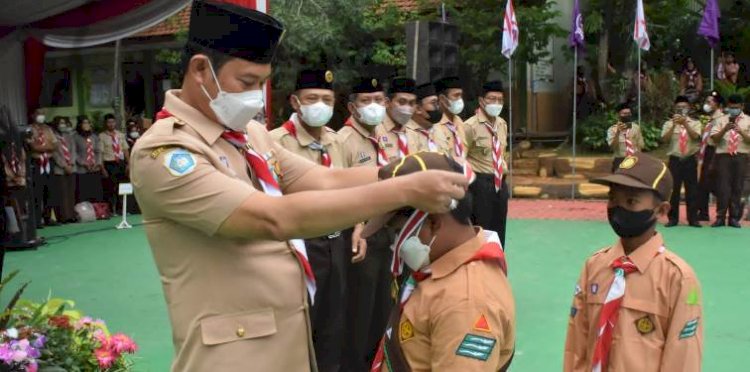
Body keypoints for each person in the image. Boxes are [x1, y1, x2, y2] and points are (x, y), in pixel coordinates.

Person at [129, 2, 467, 371]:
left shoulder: (250, 135)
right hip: (231, 353)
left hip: (287, 335)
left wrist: (408, 168)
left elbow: (323, 179)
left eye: (262, 82)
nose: (256, 96)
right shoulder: (166, 151)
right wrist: (405, 190)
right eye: (247, 82)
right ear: (200, 70)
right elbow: (271, 218)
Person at [367, 152, 515, 372]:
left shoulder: (464, 301)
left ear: (434, 223)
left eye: (399, 232)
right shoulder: (443, 269)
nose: (395, 244)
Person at [564, 153, 702, 372]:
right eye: (613, 199)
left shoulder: (677, 278)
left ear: (662, 210)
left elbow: (682, 359)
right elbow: (576, 345)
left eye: (631, 201)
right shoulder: (594, 267)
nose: (618, 209)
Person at [270, 68, 348, 372]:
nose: (320, 105)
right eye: (312, 98)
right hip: (298, 246)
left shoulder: (335, 140)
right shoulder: (276, 142)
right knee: (299, 326)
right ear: (295, 101)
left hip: (335, 243)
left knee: (333, 325)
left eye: (327, 99)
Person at [338, 77, 395, 372]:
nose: (374, 107)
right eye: (365, 101)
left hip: (385, 234)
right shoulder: (343, 141)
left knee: (382, 312)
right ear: (352, 107)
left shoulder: (383, 136)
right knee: (359, 315)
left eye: (378, 100)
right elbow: (338, 192)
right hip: (360, 238)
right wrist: (359, 225)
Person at [464, 81, 510, 247]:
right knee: (481, 231)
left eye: (500, 99)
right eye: (492, 99)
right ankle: (479, 268)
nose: (496, 103)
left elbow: (502, 154)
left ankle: (496, 267)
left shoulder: (502, 124)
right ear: (481, 101)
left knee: (499, 231)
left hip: (500, 183)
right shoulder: (470, 126)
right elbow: (461, 158)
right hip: (479, 185)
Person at [660, 96, 702, 227]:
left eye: (684, 107)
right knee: (674, 190)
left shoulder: (695, 123)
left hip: (689, 159)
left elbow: (696, 136)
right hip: (675, 160)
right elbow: (664, 139)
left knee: (692, 190)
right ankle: (673, 219)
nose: (681, 109)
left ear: (689, 108)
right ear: (674, 109)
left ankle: (693, 219)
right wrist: (674, 125)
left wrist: (685, 124)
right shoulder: (668, 123)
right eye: (678, 108)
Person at [710, 94, 750, 228]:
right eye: (731, 107)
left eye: (736, 108)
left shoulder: (748, 120)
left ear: (742, 107)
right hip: (723, 157)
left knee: (737, 187)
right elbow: (714, 139)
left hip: (741, 156)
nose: (733, 110)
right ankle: (720, 218)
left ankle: (734, 218)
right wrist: (724, 129)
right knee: (723, 187)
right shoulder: (721, 120)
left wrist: (741, 132)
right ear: (728, 107)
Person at [27, 109, 58, 228]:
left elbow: (55, 145)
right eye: (39, 114)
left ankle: (48, 217)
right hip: (36, 162)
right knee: (37, 191)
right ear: (33, 115)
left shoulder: (48, 129)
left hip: (49, 162)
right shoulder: (29, 129)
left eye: (43, 114)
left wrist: (42, 147)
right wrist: (44, 147)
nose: (41, 116)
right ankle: (37, 220)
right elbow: (32, 146)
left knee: (49, 191)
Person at [696, 92, 724, 221]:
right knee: (704, 182)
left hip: (716, 152)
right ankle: (703, 212)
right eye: (706, 101)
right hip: (706, 151)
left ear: (717, 104)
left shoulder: (722, 119)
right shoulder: (710, 118)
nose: (707, 104)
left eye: (710, 101)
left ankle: (725, 210)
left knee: (714, 183)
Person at [381, 77, 424, 160]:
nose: (407, 108)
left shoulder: (415, 134)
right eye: (401, 102)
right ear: (387, 103)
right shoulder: (375, 132)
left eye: (411, 103)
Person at [99, 114, 129, 215]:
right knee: (111, 188)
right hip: (109, 163)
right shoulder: (102, 136)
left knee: (121, 187)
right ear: (105, 124)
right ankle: (111, 210)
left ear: (115, 123)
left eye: (113, 122)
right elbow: (101, 153)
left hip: (120, 163)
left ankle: (121, 209)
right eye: (109, 122)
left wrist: (128, 164)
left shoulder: (120, 135)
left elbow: (125, 149)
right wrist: (102, 168)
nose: (111, 124)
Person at [49, 116, 77, 223]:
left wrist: (71, 163)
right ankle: (64, 217)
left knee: (71, 193)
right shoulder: (53, 136)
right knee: (62, 194)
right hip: (60, 169)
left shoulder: (69, 136)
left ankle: (72, 215)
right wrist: (64, 165)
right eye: (60, 123)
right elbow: (55, 154)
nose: (63, 125)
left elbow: (73, 150)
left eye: (64, 123)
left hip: (72, 167)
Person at [434, 76, 467, 159]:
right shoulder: (434, 124)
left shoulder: (459, 122)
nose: (460, 100)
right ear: (442, 99)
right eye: (456, 96)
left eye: (461, 96)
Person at [73, 116, 103, 204]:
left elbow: (98, 151)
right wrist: (83, 163)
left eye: (88, 123)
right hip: (82, 170)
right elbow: (74, 153)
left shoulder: (94, 137)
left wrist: (97, 163)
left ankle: (97, 210)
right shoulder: (75, 137)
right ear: (80, 125)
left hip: (95, 168)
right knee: (83, 192)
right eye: (84, 123)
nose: (87, 125)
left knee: (96, 191)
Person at [607, 104, 644, 172]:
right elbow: (612, 147)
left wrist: (640, 159)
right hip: (620, 159)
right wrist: (618, 132)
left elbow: (640, 145)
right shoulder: (612, 129)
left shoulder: (636, 128)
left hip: (634, 158)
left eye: (629, 113)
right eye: (624, 113)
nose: (627, 115)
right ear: (618, 115)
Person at [412, 82, 443, 152]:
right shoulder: (407, 133)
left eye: (437, 103)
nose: (437, 107)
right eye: (433, 103)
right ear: (418, 109)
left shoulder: (439, 130)